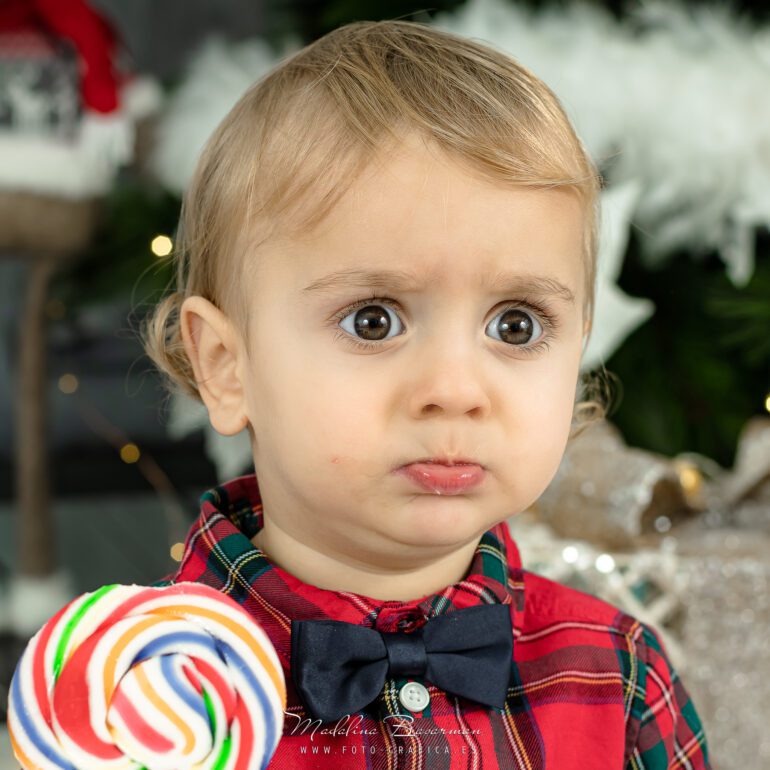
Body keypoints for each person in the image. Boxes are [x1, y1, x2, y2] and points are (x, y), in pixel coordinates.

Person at [143, 19, 712, 769]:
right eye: (373, 320)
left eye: (515, 325)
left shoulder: (619, 672)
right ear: (225, 365)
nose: (454, 391)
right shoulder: (144, 689)